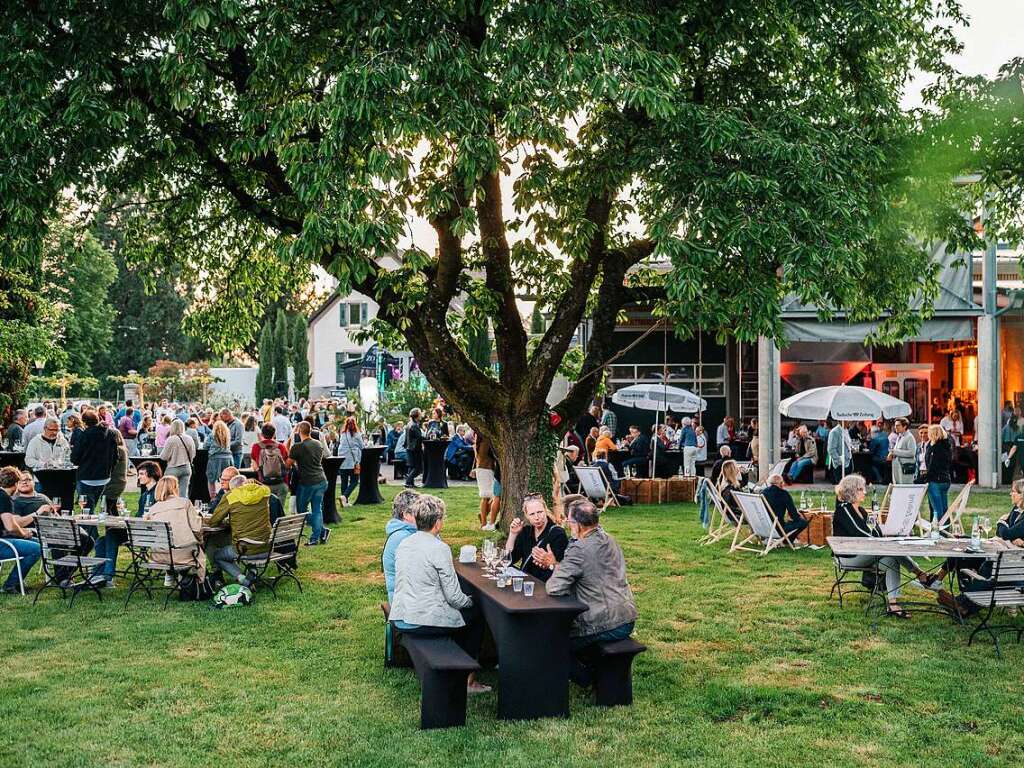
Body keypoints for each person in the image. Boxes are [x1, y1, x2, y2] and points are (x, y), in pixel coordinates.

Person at [388, 494, 490, 694]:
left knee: (465, 615)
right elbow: (454, 597)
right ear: (437, 523)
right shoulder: (439, 548)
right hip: (421, 620)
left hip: (400, 616)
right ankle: (467, 679)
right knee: (476, 616)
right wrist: (472, 601)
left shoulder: (403, 544)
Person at [831, 473, 955, 618]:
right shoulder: (844, 509)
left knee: (891, 559)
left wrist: (881, 535)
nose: (864, 492)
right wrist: (881, 535)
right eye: (860, 489)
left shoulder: (862, 510)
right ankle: (921, 575)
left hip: (865, 551)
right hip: (849, 556)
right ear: (851, 490)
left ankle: (893, 604)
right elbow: (863, 534)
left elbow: (875, 532)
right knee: (892, 547)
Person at [546, 495, 638, 687]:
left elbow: (554, 587)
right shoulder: (609, 539)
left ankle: (587, 678)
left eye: (569, 522)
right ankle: (595, 669)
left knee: (551, 640)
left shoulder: (579, 548)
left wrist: (556, 565)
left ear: (577, 525)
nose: (568, 525)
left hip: (604, 622)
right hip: (627, 615)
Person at [206, 476, 272, 587]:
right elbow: (262, 486)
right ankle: (252, 572)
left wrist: (227, 520)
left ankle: (244, 579)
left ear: (233, 488)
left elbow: (213, 521)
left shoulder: (231, 496)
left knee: (217, 556)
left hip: (244, 549)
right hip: (266, 547)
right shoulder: (264, 492)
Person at [143, 475, 206, 584]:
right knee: (195, 548)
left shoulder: (153, 509)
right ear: (175, 488)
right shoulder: (184, 503)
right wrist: (200, 540)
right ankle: (192, 582)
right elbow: (196, 528)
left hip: (159, 555)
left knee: (173, 543)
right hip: (181, 554)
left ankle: (170, 575)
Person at [505, 493, 569, 582]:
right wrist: (513, 534)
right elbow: (510, 559)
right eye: (532, 514)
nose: (537, 517)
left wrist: (549, 562)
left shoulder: (558, 534)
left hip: (546, 584)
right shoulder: (526, 531)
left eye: (540, 512)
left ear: (545, 511)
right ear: (526, 516)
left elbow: (563, 569)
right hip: (525, 582)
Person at [0, 468, 42, 595]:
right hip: (2, 543)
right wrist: (23, 533)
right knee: (36, 548)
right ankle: (11, 584)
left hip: (4, 538)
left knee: (37, 541)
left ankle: (17, 582)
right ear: (16, 484)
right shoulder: (4, 497)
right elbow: (10, 526)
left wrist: (23, 533)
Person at [290, 421, 329, 546]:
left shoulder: (297, 447)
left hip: (307, 482)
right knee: (317, 509)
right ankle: (320, 532)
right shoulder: (318, 444)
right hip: (321, 480)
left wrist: (291, 437)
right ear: (310, 430)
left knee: (302, 511)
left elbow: (287, 464)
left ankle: (316, 536)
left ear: (299, 431)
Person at [70, 409, 117, 509]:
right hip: (104, 476)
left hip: (87, 476)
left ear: (84, 422)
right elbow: (115, 456)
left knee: (87, 509)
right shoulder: (111, 434)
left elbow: (75, 458)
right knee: (91, 506)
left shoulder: (84, 435)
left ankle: (88, 524)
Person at [382, 489, 420, 603]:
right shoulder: (403, 538)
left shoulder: (407, 533)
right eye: (420, 511)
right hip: (406, 605)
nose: (425, 514)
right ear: (406, 514)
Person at [251, 423, 289, 512]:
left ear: (262, 434)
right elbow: (286, 464)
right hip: (281, 482)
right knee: (280, 510)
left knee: (266, 511)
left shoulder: (256, 447)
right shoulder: (281, 446)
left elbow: (255, 467)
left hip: (264, 482)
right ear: (274, 434)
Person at [762, 474, 809, 539]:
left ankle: (785, 539)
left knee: (788, 522)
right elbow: (794, 515)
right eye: (783, 482)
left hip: (764, 527)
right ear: (781, 483)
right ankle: (787, 540)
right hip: (778, 529)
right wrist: (799, 516)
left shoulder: (763, 492)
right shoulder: (784, 494)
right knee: (803, 522)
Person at [924, 424, 952, 527]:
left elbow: (932, 466)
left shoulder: (935, 448)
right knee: (944, 507)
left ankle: (939, 529)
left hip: (935, 480)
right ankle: (946, 529)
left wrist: (923, 478)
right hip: (945, 479)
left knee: (937, 509)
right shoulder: (946, 446)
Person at [160, 419, 196, 498]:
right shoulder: (189, 438)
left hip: (173, 468)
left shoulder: (171, 439)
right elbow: (193, 454)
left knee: (168, 493)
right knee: (183, 494)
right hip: (186, 467)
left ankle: (170, 509)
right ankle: (182, 509)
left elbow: (164, 456)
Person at [474, 430, 501, 530]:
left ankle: (483, 515)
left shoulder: (479, 441)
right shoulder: (485, 441)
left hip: (483, 469)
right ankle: (484, 521)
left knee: (491, 496)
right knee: (487, 496)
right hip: (485, 469)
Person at [336, 416, 363, 506]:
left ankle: (344, 502)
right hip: (352, 461)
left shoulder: (343, 434)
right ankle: (345, 496)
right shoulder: (357, 435)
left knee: (344, 481)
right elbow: (362, 446)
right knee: (354, 481)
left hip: (342, 461)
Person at [205, 421, 233, 498]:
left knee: (211, 479)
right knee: (228, 479)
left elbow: (205, 446)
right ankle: (227, 496)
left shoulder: (212, 435)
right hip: (228, 458)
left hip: (215, 458)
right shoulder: (227, 435)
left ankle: (213, 498)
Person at [103, 430, 129, 515]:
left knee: (109, 507)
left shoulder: (118, 450)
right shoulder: (121, 449)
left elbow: (108, 463)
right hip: (117, 481)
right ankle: (116, 527)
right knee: (112, 507)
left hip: (115, 482)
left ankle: (114, 527)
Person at [888, 418, 917, 484]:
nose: (895, 427)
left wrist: (894, 452)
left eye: (898, 425)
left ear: (905, 426)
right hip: (897, 467)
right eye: (895, 425)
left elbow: (912, 453)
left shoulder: (909, 437)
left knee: (905, 489)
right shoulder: (899, 436)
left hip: (905, 468)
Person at [403, 408, 424, 488]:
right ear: (417, 415)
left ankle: (410, 483)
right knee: (417, 467)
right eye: (420, 413)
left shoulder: (409, 424)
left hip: (409, 448)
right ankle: (408, 482)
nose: (421, 415)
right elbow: (419, 437)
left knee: (411, 466)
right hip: (415, 449)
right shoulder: (414, 425)